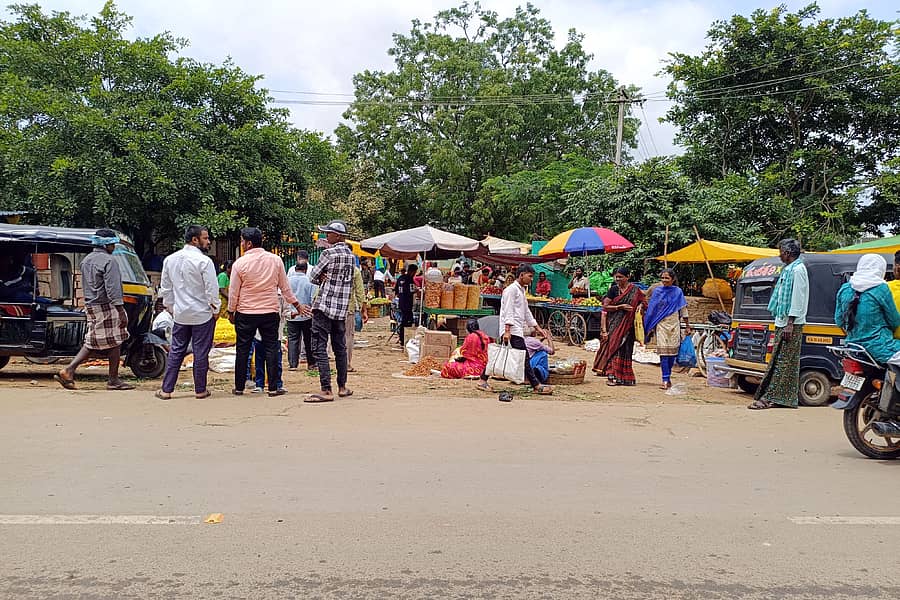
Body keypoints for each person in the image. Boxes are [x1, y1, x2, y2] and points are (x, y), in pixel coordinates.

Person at [228, 227, 306, 397]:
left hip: (246, 312)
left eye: (242, 241)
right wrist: (296, 304)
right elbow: (285, 287)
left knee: (242, 349)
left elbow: (234, 291)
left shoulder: (240, 263)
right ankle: (273, 387)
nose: (241, 244)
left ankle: (239, 387)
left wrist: (231, 311)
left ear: (248, 243)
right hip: (270, 312)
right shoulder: (275, 260)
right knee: (271, 348)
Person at [55, 229, 134, 391]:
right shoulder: (109, 261)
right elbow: (112, 289)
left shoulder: (86, 260)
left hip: (91, 305)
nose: (114, 247)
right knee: (102, 341)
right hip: (106, 306)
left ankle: (112, 379)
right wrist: (120, 310)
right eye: (113, 244)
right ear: (107, 244)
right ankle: (70, 370)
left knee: (110, 342)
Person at [154, 225, 220, 400]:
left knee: (176, 350)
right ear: (195, 240)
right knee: (201, 352)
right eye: (205, 238)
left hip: (180, 313)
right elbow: (212, 290)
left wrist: (171, 308)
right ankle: (200, 390)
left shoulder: (170, 259)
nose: (209, 241)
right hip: (202, 314)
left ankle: (166, 390)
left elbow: (166, 288)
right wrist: (216, 309)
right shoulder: (205, 262)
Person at [748, 239, 809, 409]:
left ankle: (772, 398)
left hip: (792, 323)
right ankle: (780, 397)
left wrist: (790, 322)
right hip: (783, 321)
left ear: (788, 253)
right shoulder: (788, 270)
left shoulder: (798, 270)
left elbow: (798, 297)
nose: (779, 255)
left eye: (781, 251)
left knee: (784, 362)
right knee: (779, 360)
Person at [477, 263, 553, 395]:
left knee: (518, 357)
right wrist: (507, 330)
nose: (531, 279)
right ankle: (536, 385)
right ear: (522, 275)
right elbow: (508, 310)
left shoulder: (521, 290)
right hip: (511, 330)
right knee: (524, 358)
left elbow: (526, 311)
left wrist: (537, 327)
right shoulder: (511, 290)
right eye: (530, 276)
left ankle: (483, 380)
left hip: (516, 328)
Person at [306, 220, 356, 403]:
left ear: (338, 236)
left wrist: (322, 278)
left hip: (325, 305)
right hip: (341, 308)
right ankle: (342, 386)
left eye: (329, 233)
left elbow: (312, 276)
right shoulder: (351, 256)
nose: (326, 236)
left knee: (319, 347)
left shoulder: (328, 253)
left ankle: (326, 389)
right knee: (339, 349)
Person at [835, 254, 900, 365]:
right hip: (881, 348)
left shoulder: (845, 288)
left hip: (852, 346)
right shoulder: (881, 289)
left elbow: (839, 320)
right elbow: (894, 321)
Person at [592, 267, 646, 386]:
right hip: (614, 325)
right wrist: (619, 307)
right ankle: (612, 376)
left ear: (628, 277)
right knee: (614, 348)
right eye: (616, 277)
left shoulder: (635, 290)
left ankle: (625, 377)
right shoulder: (613, 290)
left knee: (626, 350)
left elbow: (643, 302)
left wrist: (640, 307)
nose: (618, 279)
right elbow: (605, 307)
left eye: (620, 277)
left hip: (629, 326)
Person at [643, 269, 692, 390]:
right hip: (661, 324)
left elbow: (683, 309)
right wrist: (649, 324)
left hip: (674, 324)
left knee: (672, 353)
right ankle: (665, 379)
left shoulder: (678, 292)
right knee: (664, 352)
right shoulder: (657, 291)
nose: (664, 281)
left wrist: (687, 325)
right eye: (662, 278)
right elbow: (652, 309)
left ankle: (668, 377)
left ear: (673, 279)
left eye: (667, 278)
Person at [287, 260, 316, 371]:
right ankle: (311, 363)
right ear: (305, 270)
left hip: (292, 314)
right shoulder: (310, 281)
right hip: (307, 314)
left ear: (295, 269)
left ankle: (293, 364)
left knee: (293, 339)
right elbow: (313, 298)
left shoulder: (288, 281)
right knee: (308, 339)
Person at [346, 263, 368, 372]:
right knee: (348, 336)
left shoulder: (329, 265)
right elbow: (360, 292)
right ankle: (346, 364)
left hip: (330, 308)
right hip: (348, 308)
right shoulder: (354, 270)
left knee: (333, 336)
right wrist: (363, 310)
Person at [395, 264, 418, 347]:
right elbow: (411, 291)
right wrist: (417, 290)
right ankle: (403, 339)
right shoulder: (410, 279)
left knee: (404, 320)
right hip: (407, 303)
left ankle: (402, 338)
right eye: (415, 272)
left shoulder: (400, 277)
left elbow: (396, 291)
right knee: (407, 321)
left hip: (401, 302)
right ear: (412, 271)